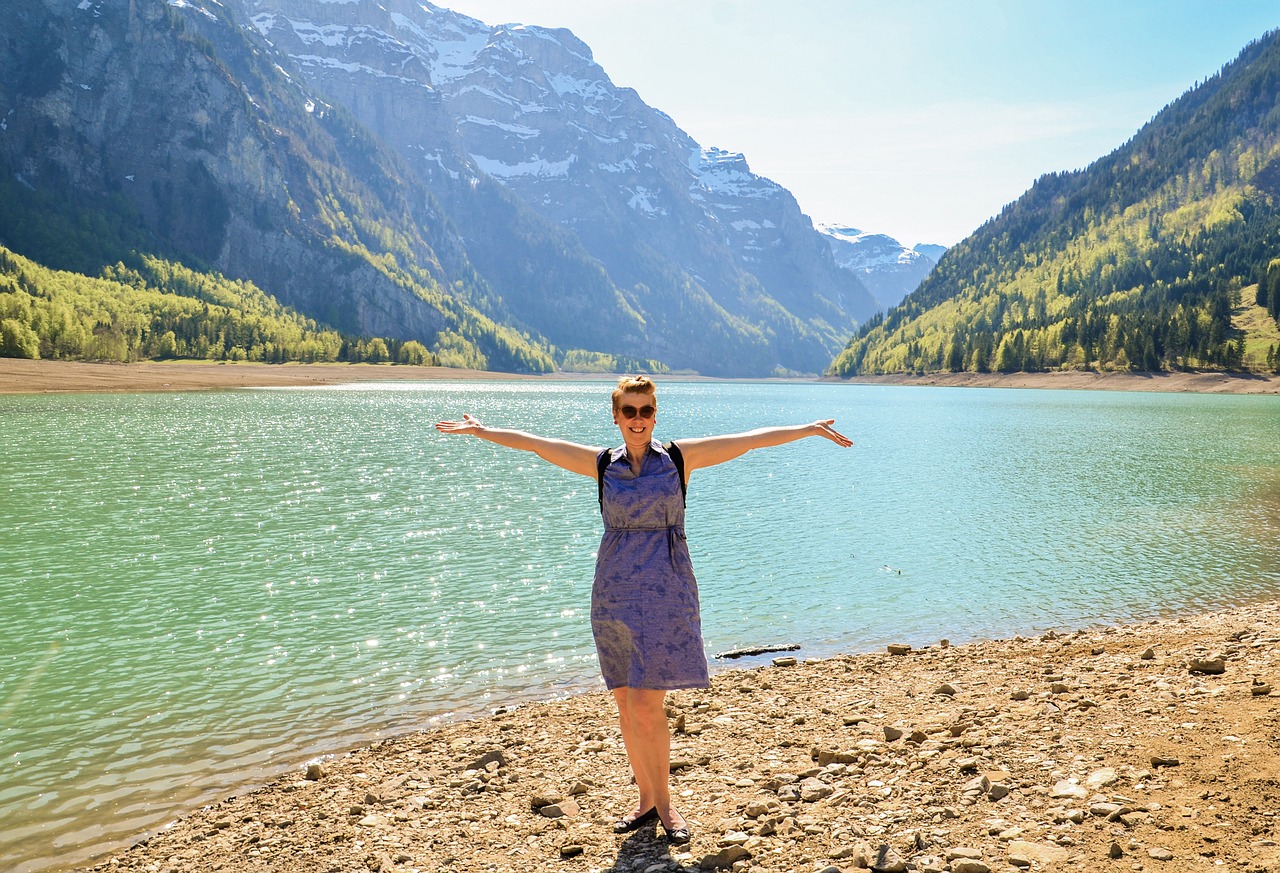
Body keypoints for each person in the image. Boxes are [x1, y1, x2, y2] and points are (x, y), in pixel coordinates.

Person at [436, 375, 852, 844]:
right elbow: (539, 445)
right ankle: (646, 801)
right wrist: (484, 431)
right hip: (613, 591)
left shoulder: (678, 459)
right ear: (615, 416)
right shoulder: (601, 465)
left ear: (656, 414)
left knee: (646, 704)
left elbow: (748, 441)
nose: (638, 420)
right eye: (629, 411)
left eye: (646, 411)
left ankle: (667, 804)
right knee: (625, 704)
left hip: (666, 589)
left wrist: (808, 428)